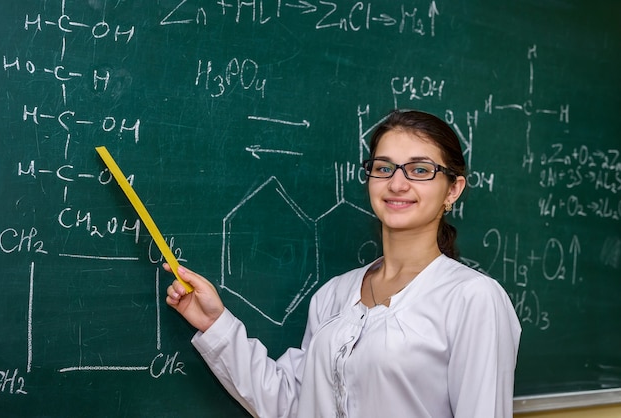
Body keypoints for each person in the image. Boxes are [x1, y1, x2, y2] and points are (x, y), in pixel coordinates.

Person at [165, 109, 521, 418]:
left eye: (420, 169)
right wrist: (215, 324)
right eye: (384, 167)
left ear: (452, 190)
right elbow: (292, 405)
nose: (397, 183)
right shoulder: (334, 295)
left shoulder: (473, 299)